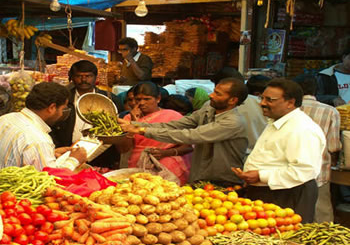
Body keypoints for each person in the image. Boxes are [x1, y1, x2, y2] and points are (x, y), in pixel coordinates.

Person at [119, 78, 248, 186]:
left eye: (218, 94)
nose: (211, 95)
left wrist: (141, 130)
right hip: (200, 174)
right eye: (214, 91)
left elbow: (190, 136)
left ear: (233, 100)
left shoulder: (233, 122)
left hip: (224, 179)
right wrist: (135, 124)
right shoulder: (209, 107)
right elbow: (178, 125)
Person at [233, 78, 326, 223]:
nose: (262, 103)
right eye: (262, 98)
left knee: (285, 240)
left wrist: (260, 175)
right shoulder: (276, 121)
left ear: (290, 103)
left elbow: (303, 170)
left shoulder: (302, 129)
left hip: (287, 195)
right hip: (268, 193)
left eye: (270, 100)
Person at [0, 82, 87, 171]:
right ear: (52, 108)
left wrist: (50, 153)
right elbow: (51, 180)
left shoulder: (5, 119)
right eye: (62, 109)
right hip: (12, 192)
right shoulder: (38, 140)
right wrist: (74, 161)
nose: (61, 114)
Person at [50, 60, 123, 168]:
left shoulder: (109, 99)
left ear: (95, 77)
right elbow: (52, 126)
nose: (83, 80)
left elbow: (118, 130)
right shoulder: (63, 98)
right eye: (79, 76)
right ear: (72, 78)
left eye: (88, 76)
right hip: (68, 152)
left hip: (101, 156)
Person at [121, 82, 192, 184]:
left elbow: (188, 146)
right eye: (138, 99)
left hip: (168, 166)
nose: (141, 103)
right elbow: (124, 149)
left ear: (158, 98)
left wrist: (166, 153)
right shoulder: (127, 119)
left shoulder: (172, 116)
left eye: (147, 99)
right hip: (138, 165)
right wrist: (132, 124)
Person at [295, 74, 341, 223]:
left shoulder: (289, 110)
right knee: (321, 213)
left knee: (293, 213)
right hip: (319, 170)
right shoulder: (330, 111)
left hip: (291, 170)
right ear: (316, 90)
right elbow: (333, 146)